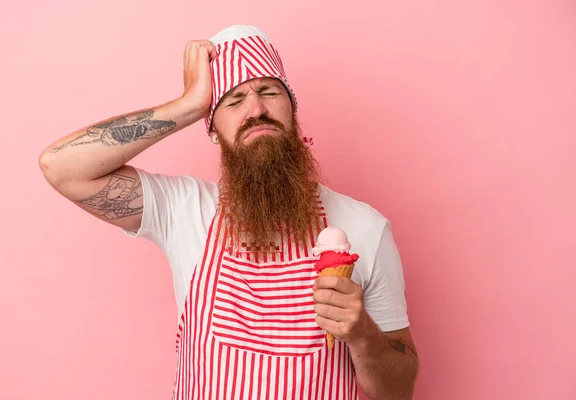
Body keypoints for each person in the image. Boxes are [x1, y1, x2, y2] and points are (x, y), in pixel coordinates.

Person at [39, 24, 419, 399]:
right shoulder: (184, 211)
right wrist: (186, 106)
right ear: (212, 128)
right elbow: (62, 167)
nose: (256, 109)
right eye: (233, 101)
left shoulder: (366, 228)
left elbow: (398, 391)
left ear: (293, 111)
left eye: (269, 92)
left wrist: (362, 334)